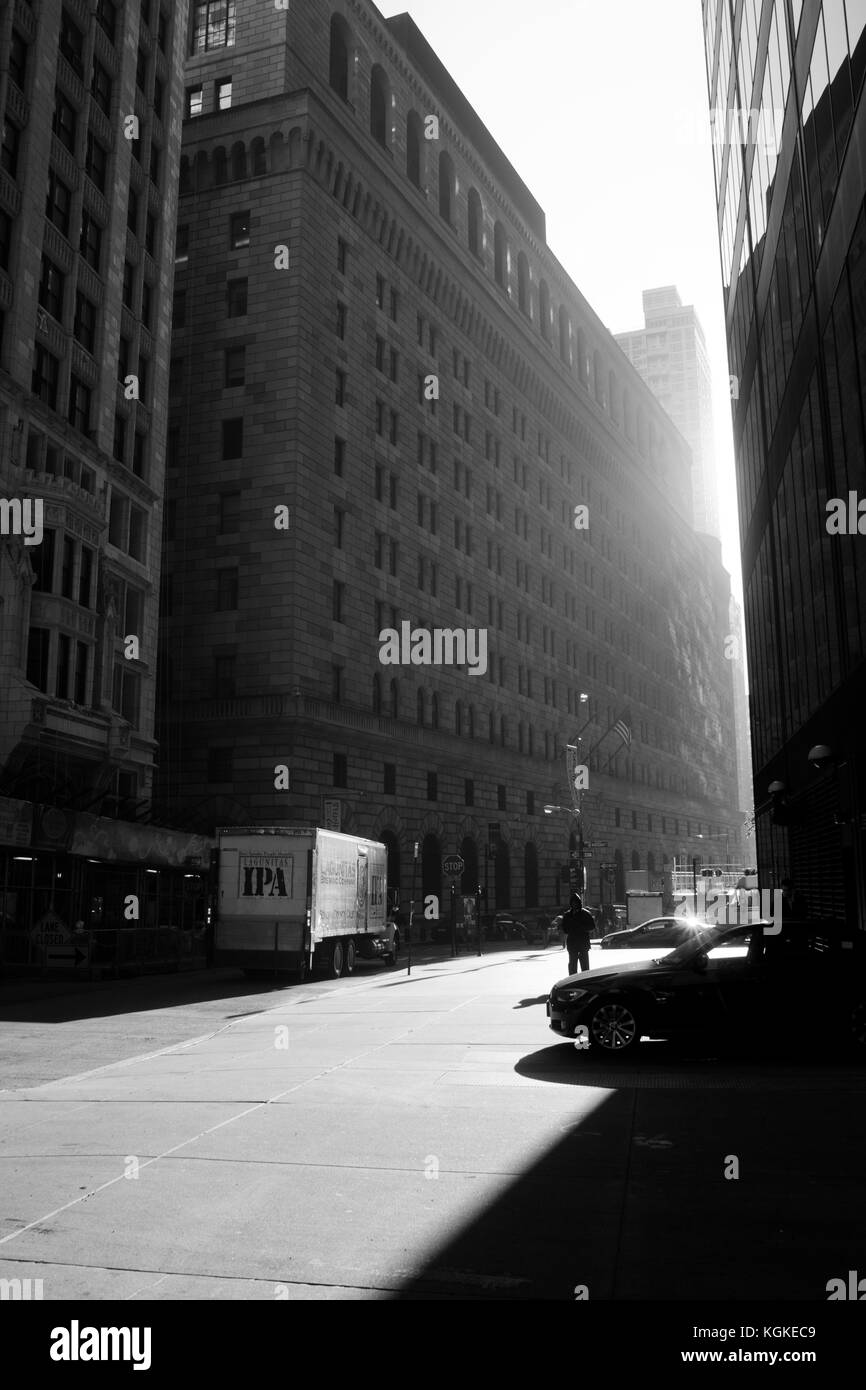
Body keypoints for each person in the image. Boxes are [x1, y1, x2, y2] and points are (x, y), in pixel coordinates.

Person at [561, 892, 595, 974]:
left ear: (579, 903)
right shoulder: (567, 915)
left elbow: (592, 926)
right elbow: (565, 928)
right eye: (573, 903)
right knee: (572, 966)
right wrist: (571, 929)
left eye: (576, 902)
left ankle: (585, 982)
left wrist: (581, 927)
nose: (574, 904)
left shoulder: (586, 913)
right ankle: (572, 981)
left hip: (583, 943)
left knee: (585, 967)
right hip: (572, 944)